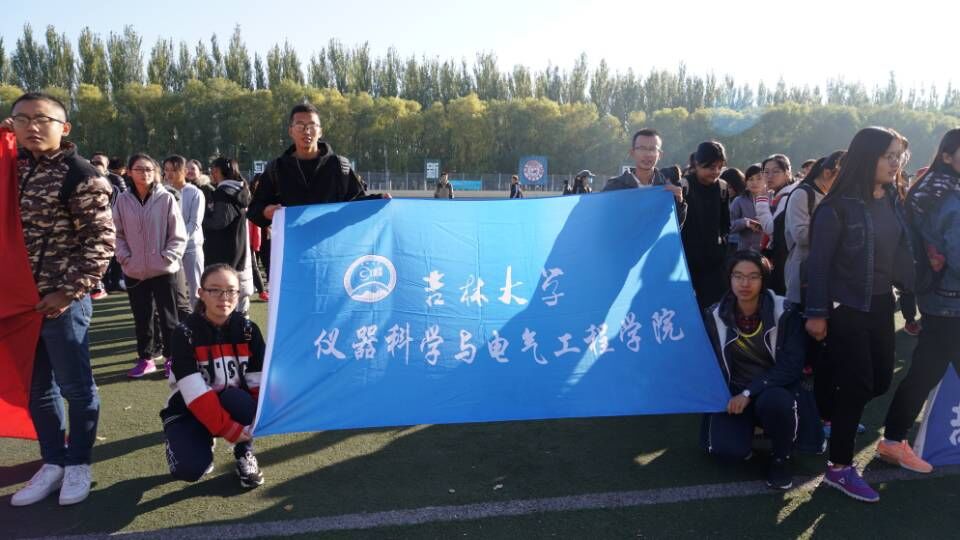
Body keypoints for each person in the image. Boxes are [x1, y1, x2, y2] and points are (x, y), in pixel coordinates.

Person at [6, 92, 115, 506]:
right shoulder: (11, 167)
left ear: (64, 128)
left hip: (61, 302)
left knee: (76, 387)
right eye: (21, 119)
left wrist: (68, 291)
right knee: (37, 389)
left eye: (42, 119)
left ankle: (79, 462)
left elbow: (101, 242)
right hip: (19, 305)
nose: (32, 127)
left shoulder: (80, 174)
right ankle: (52, 461)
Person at [804, 126, 914, 503]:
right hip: (846, 307)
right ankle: (838, 467)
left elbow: (901, 249)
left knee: (879, 381)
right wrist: (816, 313)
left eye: (899, 156)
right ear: (868, 156)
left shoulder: (893, 198)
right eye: (888, 156)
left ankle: (827, 413)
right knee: (858, 385)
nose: (895, 163)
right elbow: (818, 266)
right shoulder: (836, 207)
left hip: (882, 303)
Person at [879, 128, 960, 475]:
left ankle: (893, 439)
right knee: (926, 370)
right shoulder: (950, 196)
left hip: (937, 296)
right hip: (950, 299)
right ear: (947, 156)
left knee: (927, 370)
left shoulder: (932, 189)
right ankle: (893, 440)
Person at [702, 250, 806, 490]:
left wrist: (749, 393)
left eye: (753, 277)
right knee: (727, 452)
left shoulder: (785, 312)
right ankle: (750, 429)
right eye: (738, 276)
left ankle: (781, 457)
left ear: (763, 279)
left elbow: (791, 366)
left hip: (772, 389)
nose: (745, 283)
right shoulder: (715, 314)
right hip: (735, 391)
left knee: (775, 403)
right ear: (729, 279)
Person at [160, 263, 265, 488]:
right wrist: (228, 429)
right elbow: (195, 393)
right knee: (189, 470)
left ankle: (244, 452)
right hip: (189, 409)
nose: (224, 297)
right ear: (201, 293)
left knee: (238, 399)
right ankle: (200, 438)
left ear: (239, 293)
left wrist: (252, 424)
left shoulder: (249, 330)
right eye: (215, 290)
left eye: (231, 291)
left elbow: (258, 383)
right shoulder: (184, 333)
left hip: (232, 403)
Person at [248, 102, 388, 229]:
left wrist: (378, 200)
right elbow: (254, 210)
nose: (306, 131)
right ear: (291, 131)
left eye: (312, 126)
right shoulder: (277, 169)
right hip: (291, 245)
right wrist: (266, 212)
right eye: (300, 126)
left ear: (320, 131)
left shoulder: (339, 167)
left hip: (330, 245)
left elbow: (357, 204)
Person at [114, 153, 187, 379]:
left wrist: (168, 256)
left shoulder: (166, 198)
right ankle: (146, 358)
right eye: (139, 169)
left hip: (164, 269)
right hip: (135, 270)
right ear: (129, 172)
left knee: (169, 318)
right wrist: (125, 257)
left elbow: (178, 233)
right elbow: (116, 233)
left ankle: (171, 358)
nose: (144, 173)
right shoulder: (122, 200)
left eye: (149, 169)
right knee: (142, 316)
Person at [680, 141, 731, 310]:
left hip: (714, 263)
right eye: (710, 167)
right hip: (686, 263)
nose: (715, 172)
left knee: (716, 309)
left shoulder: (722, 188)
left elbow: (725, 224)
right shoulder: (684, 186)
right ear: (696, 164)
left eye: (719, 167)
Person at [603, 128, 686, 225]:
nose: (647, 154)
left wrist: (679, 203)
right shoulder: (614, 187)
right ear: (632, 152)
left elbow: (673, 228)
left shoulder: (667, 189)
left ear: (660, 155)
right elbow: (602, 221)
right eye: (642, 149)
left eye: (653, 149)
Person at [203, 157, 254, 313]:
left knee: (223, 294)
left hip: (222, 251)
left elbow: (219, 222)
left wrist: (201, 218)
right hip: (238, 246)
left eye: (212, 169)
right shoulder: (240, 190)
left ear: (218, 171)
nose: (211, 173)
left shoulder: (224, 192)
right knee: (236, 291)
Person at [164, 155, 205, 304]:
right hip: (169, 249)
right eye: (166, 170)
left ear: (184, 171)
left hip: (191, 247)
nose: (169, 174)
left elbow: (194, 223)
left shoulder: (195, 193)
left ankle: (198, 318)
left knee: (196, 290)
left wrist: (178, 239)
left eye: (174, 170)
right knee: (171, 290)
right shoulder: (162, 192)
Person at [755, 154, 798, 294]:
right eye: (766, 172)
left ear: (787, 173)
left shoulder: (787, 197)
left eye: (776, 171)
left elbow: (771, 229)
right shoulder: (782, 194)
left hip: (784, 258)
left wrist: (761, 202)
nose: (770, 176)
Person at [728, 168, 766, 251]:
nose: (754, 182)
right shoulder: (739, 201)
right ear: (746, 182)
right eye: (750, 179)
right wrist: (746, 222)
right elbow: (728, 225)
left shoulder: (773, 198)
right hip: (746, 250)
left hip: (769, 250)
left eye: (759, 178)